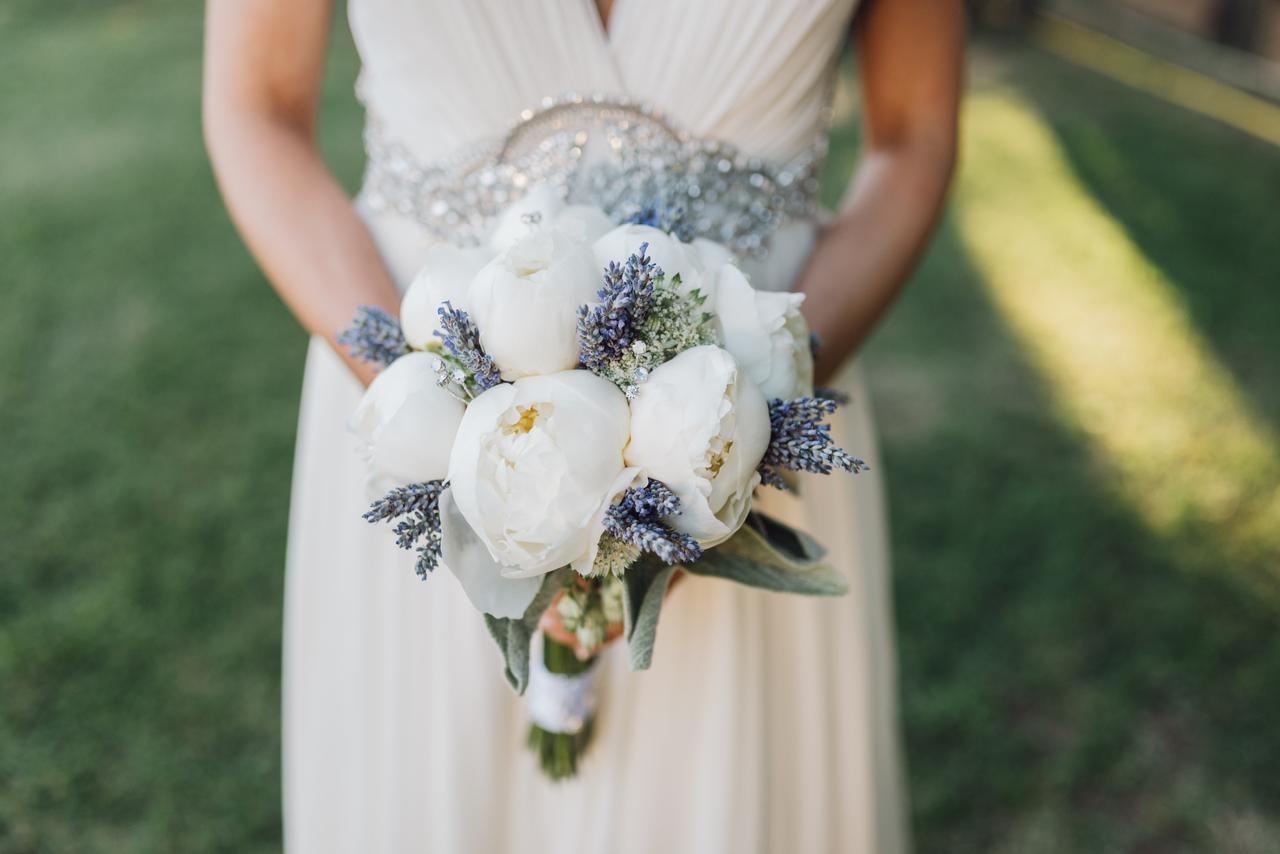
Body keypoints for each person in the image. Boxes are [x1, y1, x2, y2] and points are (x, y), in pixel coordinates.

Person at [204, 1, 963, 851]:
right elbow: (258, 104)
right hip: (417, 418)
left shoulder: (742, 431)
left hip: (753, 438)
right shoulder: (436, 425)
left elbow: (914, 132)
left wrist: (729, 435)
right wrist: (460, 436)